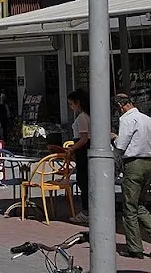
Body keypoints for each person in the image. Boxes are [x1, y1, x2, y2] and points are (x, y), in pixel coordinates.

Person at [112, 93, 151, 258]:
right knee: (140, 205)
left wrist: (114, 137)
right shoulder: (149, 120)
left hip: (134, 164)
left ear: (121, 107)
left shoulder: (126, 120)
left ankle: (135, 248)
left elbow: (121, 144)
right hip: (149, 164)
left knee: (129, 207)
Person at [66, 90, 91, 224]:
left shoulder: (82, 117)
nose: (71, 107)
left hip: (82, 149)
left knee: (83, 179)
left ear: (78, 103)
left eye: (71, 104)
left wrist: (72, 148)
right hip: (85, 149)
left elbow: (84, 138)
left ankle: (86, 211)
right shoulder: (88, 116)